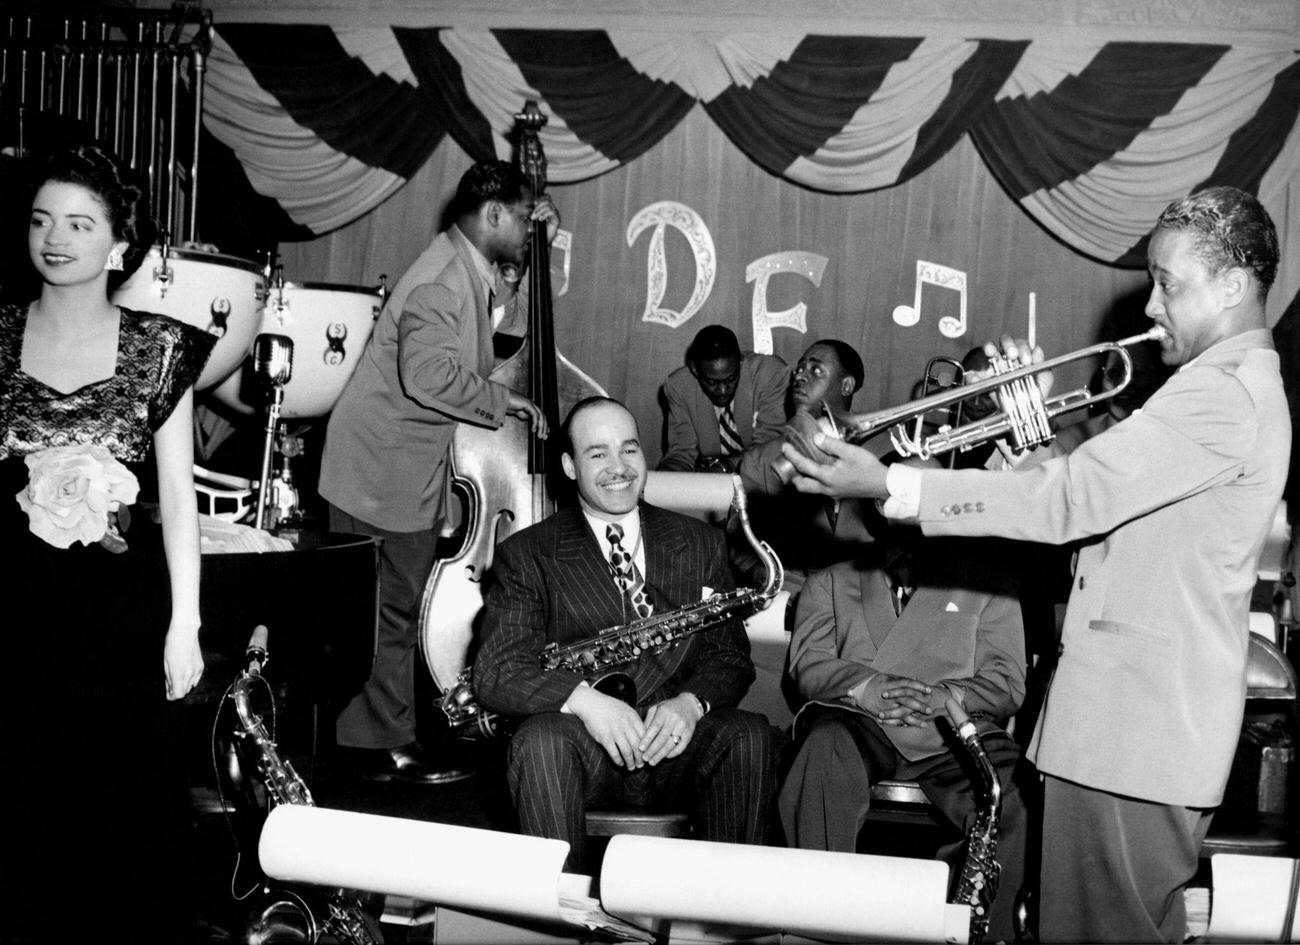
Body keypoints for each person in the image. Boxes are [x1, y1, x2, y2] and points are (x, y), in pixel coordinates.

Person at [777, 186, 1291, 943]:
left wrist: (888, 481)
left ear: (1233, 286)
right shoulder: (1226, 389)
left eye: (1168, 283)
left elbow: (1072, 500)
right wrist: (1032, 438)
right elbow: (1104, 510)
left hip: (1134, 735)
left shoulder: (1220, 393)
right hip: (1133, 730)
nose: (1150, 306)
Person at [0, 143, 215, 942]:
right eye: (42, 219)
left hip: (117, 624)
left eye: (80, 223)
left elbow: (181, 501)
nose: (56, 237)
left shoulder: (160, 349)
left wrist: (184, 621)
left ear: (118, 245)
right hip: (13, 619)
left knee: (118, 826)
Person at [318, 161, 555, 784]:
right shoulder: (444, 280)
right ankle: (379, 750)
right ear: (495, 213)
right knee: (385, 614)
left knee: (388, 609)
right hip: (376, 469)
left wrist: (535, 258)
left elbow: (491, 334)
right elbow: (426, 377)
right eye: (525, 217)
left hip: (397, 468)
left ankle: (381, 740)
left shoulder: (463, 269)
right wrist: (505, 402)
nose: (528, 227)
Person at [473, 396, 780, 872]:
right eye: (598, 454)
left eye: (629, 449)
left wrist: (690, 704)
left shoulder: (699, 542)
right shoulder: (527, 554)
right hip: (584, 750)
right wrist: (585, 702)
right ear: (570, 467)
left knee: (748, 734)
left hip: (674, 747)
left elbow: (731, 657)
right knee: (539, 741)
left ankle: (727, 914)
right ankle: (561, 917)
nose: (619, 468)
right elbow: (496, 671)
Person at [778, 517, 1029, 944]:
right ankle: (818, 923)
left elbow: (1007, 682)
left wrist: (945, 696)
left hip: (951, 728)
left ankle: (975, 928)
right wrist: (867, 686)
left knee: (1011, 787)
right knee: (822, 751)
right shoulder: (832, 581)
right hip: (861, 720)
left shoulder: (990, 585)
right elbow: (808, 664)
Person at [731, 339, 875, 598]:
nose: (799, 378)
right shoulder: (760, 459)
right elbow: (740, 543)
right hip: (791, 591)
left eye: (816, 370)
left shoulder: (884, 448)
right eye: (799, 370)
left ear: (846, 385)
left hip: (866, 592)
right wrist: (767, 577)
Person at [658, 324, 787, 472]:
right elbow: (681, 452)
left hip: (764, 479)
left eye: (731, 379)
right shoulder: (679, 386)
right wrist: (668, 477)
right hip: (710, 481)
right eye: (712, 382)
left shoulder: (769, 373)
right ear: (694, 369)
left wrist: (726, 466)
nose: (723, 390)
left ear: (740, 362)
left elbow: (770, 444)